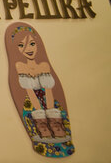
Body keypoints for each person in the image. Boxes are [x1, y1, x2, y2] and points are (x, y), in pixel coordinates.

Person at [5, 22, 73, 157]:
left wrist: (50, 112)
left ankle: (59, 134)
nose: (28, 49)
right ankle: (43, 134)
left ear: (38, 44)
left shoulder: (44, 66)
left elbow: (49, 91)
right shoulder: (20, 66)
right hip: (33, 104)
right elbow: (30, 93)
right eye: (21, 45)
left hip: (49, 103)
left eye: (32, 44)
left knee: (57, 123)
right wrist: (40, 114)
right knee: (40, 125)